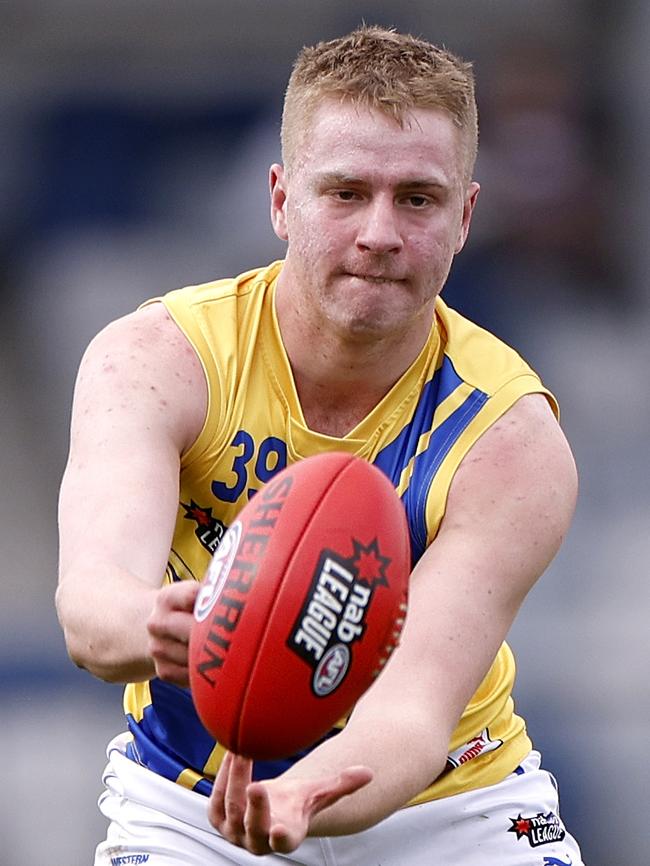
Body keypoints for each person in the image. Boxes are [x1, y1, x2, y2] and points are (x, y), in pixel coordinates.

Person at [56, 25, 585, 866]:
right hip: (190, 800)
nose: (380, 232)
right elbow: (92, 605)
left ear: (465, 218)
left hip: (453, 805)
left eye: (418, 198)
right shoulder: (158, 359)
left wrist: (300, 797)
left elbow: (411, 716)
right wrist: (157, 625)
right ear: (280, 199)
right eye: (345, 193)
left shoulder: (510, 437)